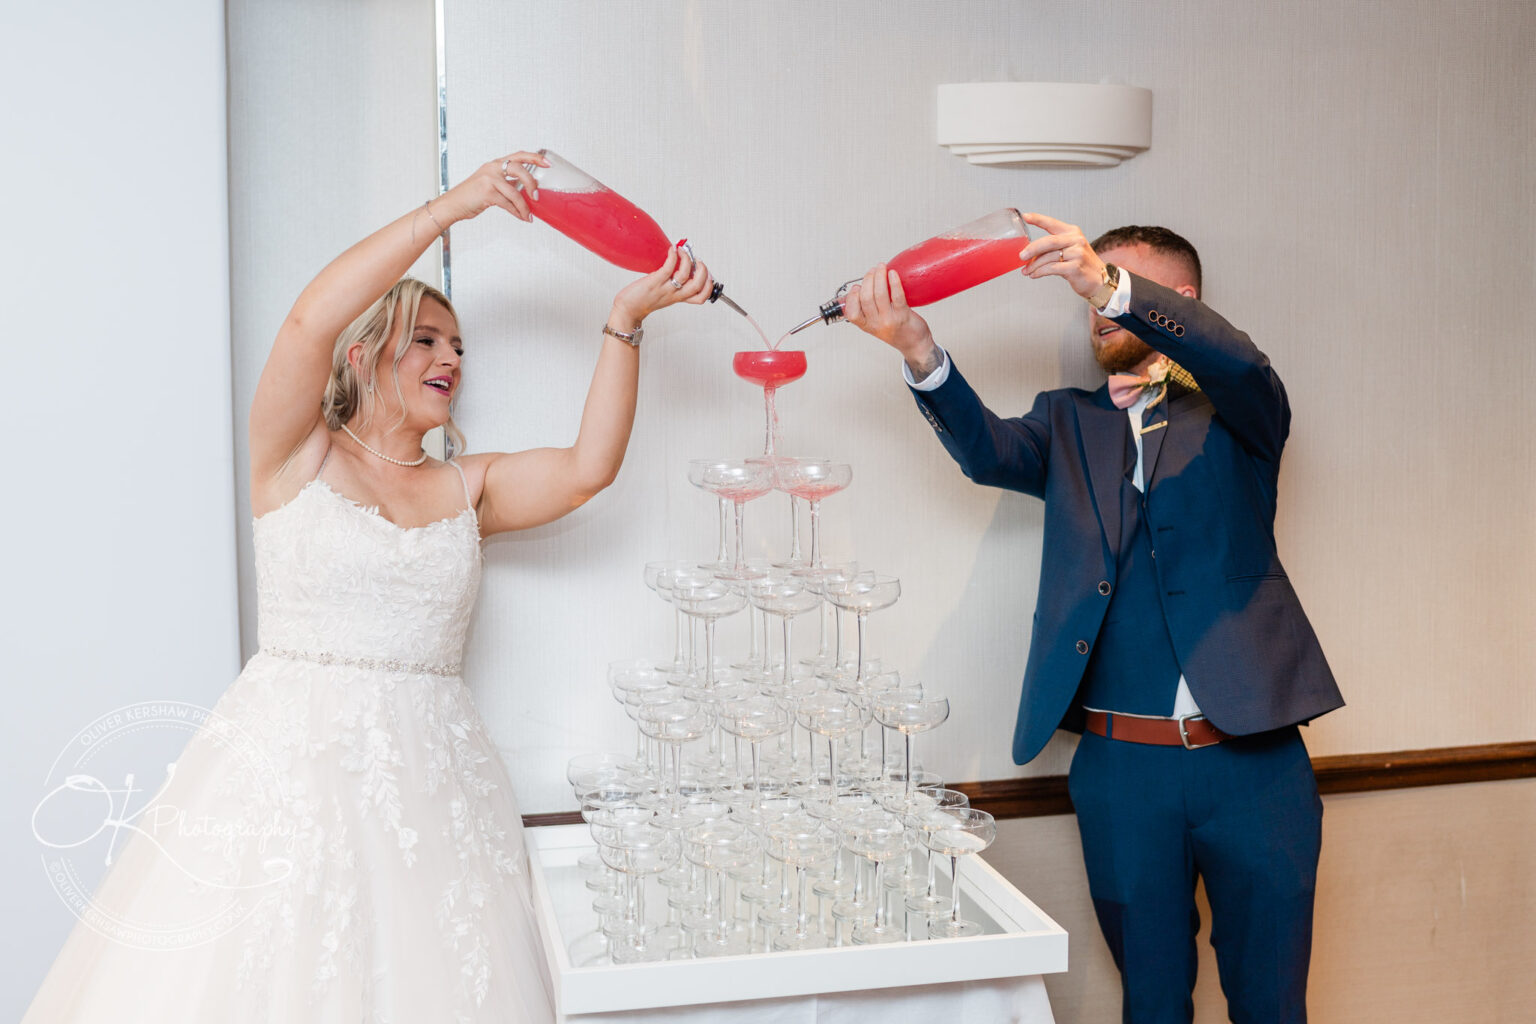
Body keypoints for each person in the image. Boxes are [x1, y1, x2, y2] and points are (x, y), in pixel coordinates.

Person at [22, 150, 713, 1023]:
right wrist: (452, 209)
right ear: (364, 348)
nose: (450, 358)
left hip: (436, 793)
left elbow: (586, 471)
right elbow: (307, 322)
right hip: (286, 780)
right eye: (425, 338)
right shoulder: (295, 454)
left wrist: (626, 318)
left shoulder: (468, 485)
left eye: (458, 346)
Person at [841, 213, 1343, 1023]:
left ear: (1174, 299)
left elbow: (1239, 359)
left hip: (1255, 766)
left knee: (1273, 1005)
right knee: (1149, 1003)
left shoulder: (1243, 413)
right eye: (1086, 295)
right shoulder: (1069, 421)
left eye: (1110, 289)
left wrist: (1114, 288)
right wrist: (917, 350)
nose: (1094, 310)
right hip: (1121, 772)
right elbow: (985, 452)